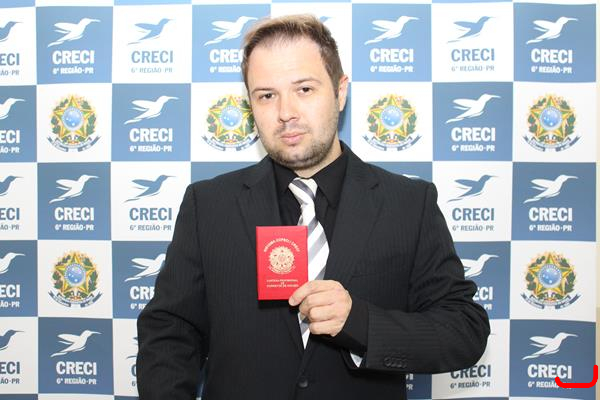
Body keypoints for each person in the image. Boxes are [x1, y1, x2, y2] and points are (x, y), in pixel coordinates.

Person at [136, 14, 490, 400]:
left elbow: (464, 330)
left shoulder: (408, 204)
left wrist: (360, 323)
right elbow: (169, 333)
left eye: (304, 89)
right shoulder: (208, 205)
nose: (285, 112)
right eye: (266, 95)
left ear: (340, 91)